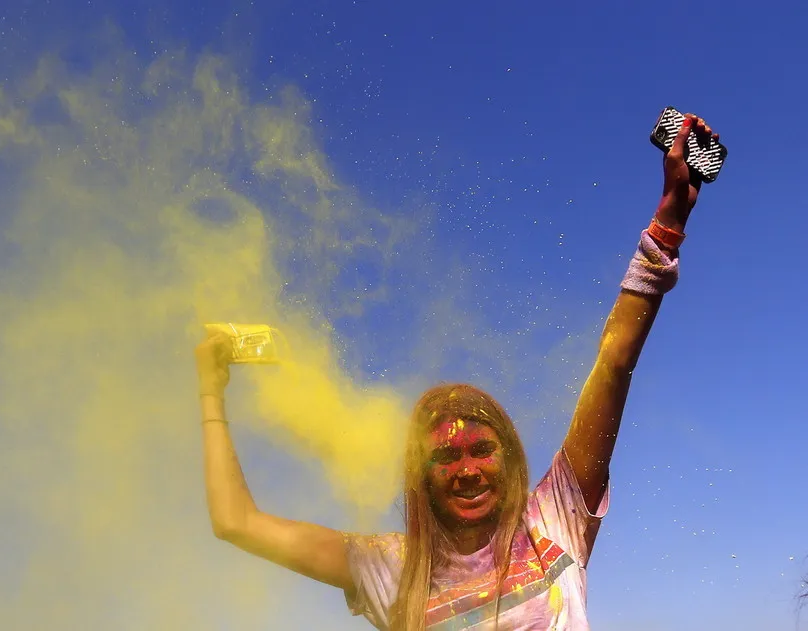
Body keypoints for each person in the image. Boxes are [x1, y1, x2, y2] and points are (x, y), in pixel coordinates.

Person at [196, 114, 719, 630]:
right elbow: (236, 523)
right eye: (445, 456)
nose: (467, 470)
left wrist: (668, 224)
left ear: (509, 456)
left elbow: (614, 362)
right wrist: (210, 392)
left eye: (480, 449)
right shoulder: (389, 570)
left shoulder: (553, 522)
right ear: (419, 474)